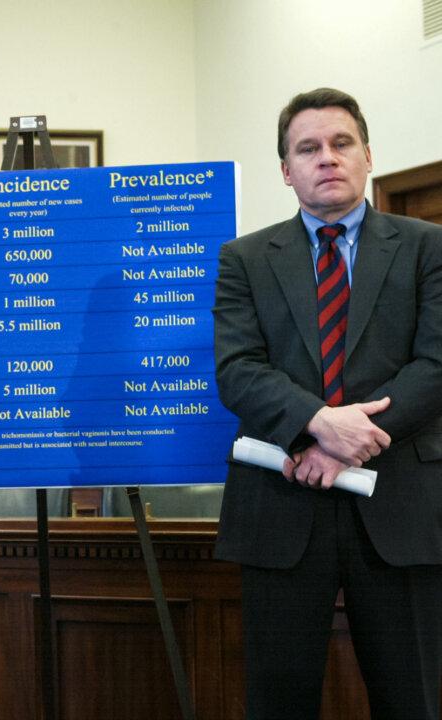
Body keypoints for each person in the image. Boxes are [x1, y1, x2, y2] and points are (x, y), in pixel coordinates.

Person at [213, 87, 442, 720]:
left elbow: (437, 365)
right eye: (307, 148)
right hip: (283, 507)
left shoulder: (428, 248)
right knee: (278, 701)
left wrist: (350, 443)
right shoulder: (245, 260)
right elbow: (237, 370)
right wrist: (317, 425)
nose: (327, 157)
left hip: (401, 508)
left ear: (368, 154)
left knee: (414, 699)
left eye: (342, 143)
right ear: (286, 170)